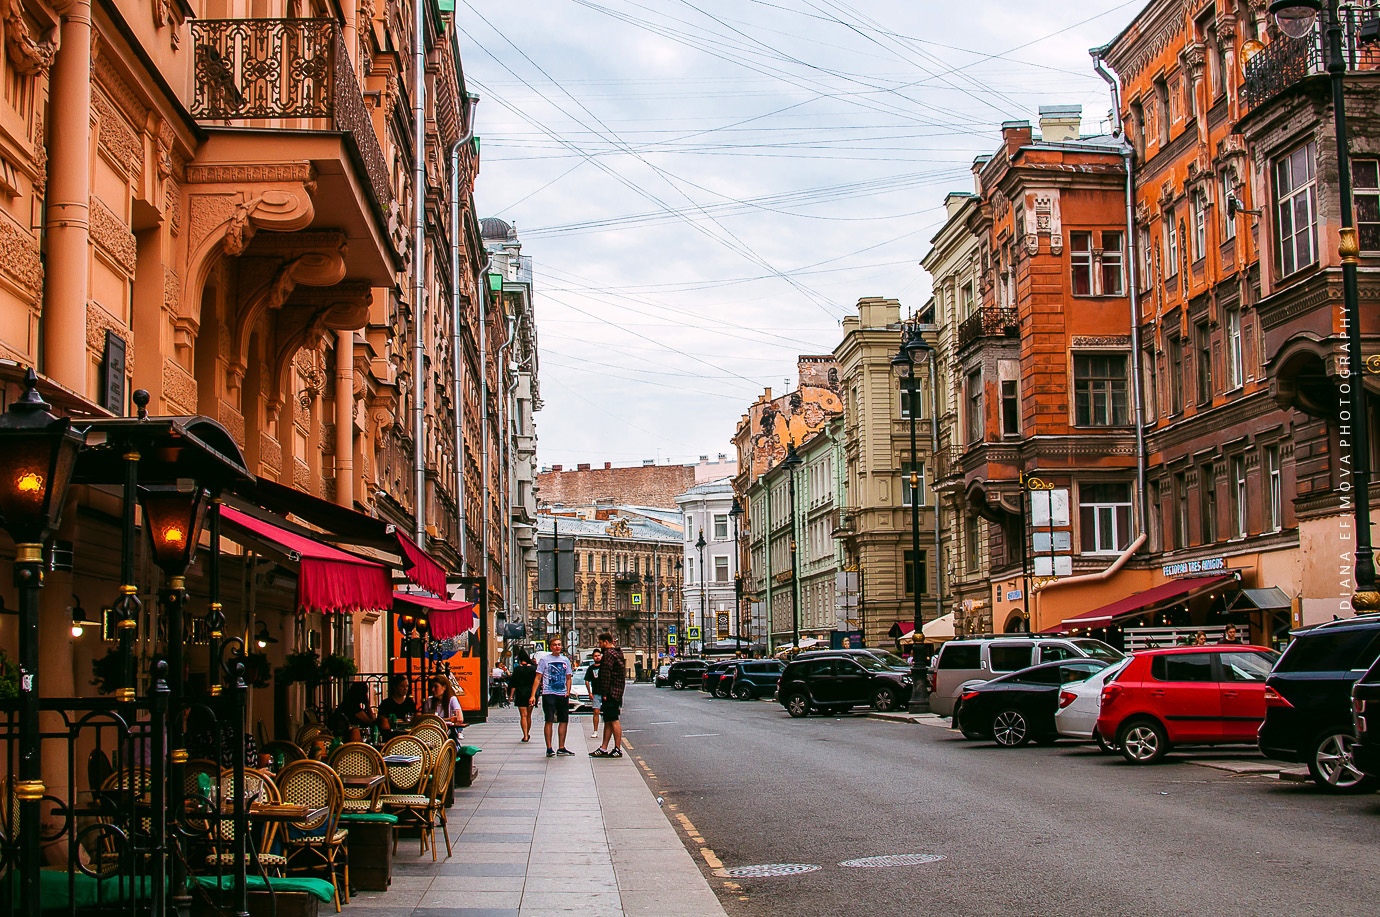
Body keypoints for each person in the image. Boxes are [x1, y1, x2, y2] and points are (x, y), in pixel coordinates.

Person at [532, 636, 573, 757]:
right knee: (549, 719)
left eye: (559, 644)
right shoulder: (544, 660)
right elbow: (538, 677)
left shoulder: (565, 660)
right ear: (550, 647)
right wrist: (533, 695)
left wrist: (568, 691)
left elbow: (568, 677)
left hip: (562, 694)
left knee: (564, 720)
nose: (557, 647)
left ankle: (561, 746)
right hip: (549, 693)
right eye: (555, 645)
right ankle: (549, 747)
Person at [591, 632, 626, 759]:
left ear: (606, 642)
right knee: (608, 721)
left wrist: (604, 693)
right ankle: (603, 748)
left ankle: (617, 748)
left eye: (600, 643)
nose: (599, 645)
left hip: (610, 692)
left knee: (614, 720)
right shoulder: (617, 653)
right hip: (616, 691)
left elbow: (606, 675)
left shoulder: (608, 654)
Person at [508, 649, 538, 743]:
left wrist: (511, 696)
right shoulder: (533, 669)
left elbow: (513, 684)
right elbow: (536, 682)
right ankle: (527, 733)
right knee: (529, 716)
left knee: (523, 716)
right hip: (530, 693)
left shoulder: (517, 669)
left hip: (520, 693)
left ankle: (525, 735)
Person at [423, 675, 465, 741]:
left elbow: (460, 719)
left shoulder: (452, 699)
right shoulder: (429, 700)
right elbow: (425, 719)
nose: (433, 689)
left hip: (448, 734)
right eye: (432, 687)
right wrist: (448, 719)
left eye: (436, 687)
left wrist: (438, 720)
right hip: (431, 734)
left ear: (444, 687)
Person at [586, 649, 603, 739]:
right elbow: (587, 681)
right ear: (593, 657)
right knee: (596, 711)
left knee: (607, 712)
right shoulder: (591, 668)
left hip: (605, 692)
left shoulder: (604, 666)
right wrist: (590, 692)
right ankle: (595, 730)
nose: (597, 657)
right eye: (595, 656)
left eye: (598, 655)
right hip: (596, 692)